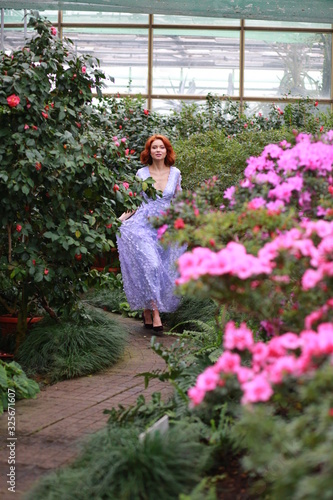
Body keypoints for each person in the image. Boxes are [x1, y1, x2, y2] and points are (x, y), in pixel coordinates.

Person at [116, 134, 185, 333]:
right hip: (142, 226)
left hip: (165, 227)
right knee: (151, 265)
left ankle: (147, 310)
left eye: (161, 147)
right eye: (154, 147)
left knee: (161, 269)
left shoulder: (175, 173)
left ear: (166, 151)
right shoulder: (141, 173)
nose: (158, 150)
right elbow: (135, 204)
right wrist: (119, 220)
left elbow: (178, 202)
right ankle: (155, 314)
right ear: (149, 151)